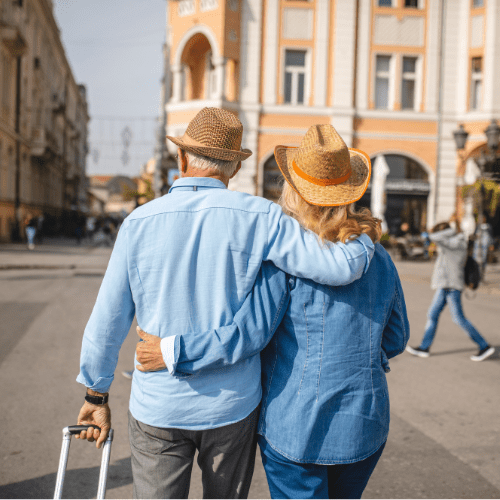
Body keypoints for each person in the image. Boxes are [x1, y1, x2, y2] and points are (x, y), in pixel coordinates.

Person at [74, 109, 376, 499]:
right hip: (231, 406)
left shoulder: (138, 222)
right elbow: (335, 268)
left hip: (159, 404)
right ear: (233, 168)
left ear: (182, 160)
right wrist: (366, 236)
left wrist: (95, 395)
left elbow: (107, 322)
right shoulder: (261, 217)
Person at [138, 124, 409, 499]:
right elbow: (396, 338)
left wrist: (173, 350)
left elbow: (247, 336)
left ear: (293, 191)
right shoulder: (377, 257)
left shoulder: (285, 260)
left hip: (297, 427)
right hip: (365, 422)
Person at [406, 217, 495, 362]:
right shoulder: (453, 242)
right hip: (445, 285)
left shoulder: (455, 243)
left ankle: (484, 346)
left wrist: (449, 230)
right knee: (432, 314)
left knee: (458, 319)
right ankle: (424, 347)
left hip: (451, 286)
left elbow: (433, 237)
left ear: (446, 233)